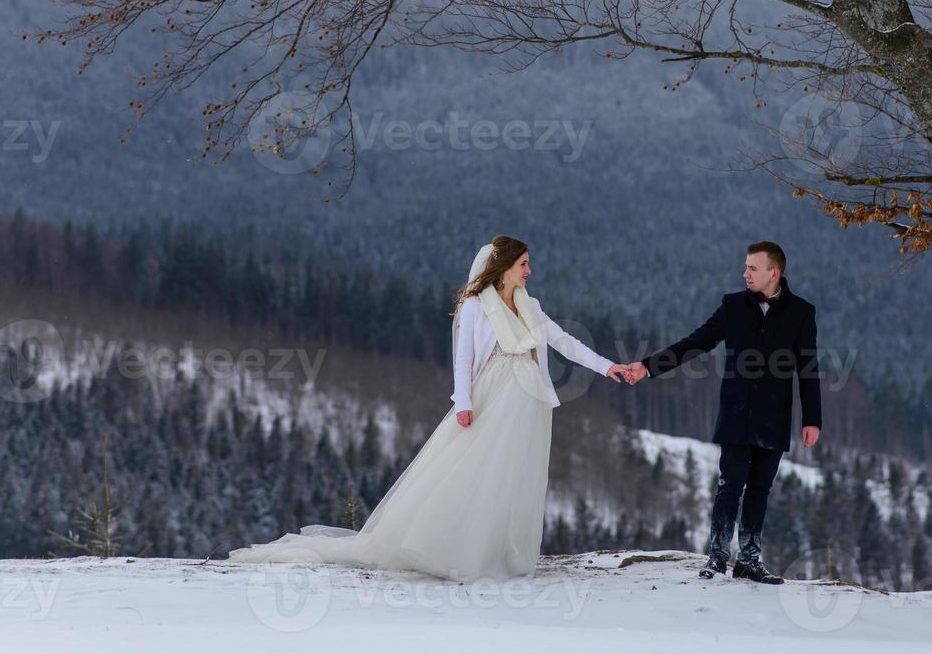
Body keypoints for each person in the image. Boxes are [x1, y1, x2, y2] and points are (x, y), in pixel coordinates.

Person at [226, 235, 632, 580]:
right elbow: (464, 358)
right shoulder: (477, 306)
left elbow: (562, 341)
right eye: (524, 264)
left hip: (528, 400)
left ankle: (503, 551)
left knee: (515, 473)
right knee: (478, 468)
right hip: (494, 394)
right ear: (504, 266)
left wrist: (607, 366)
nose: (529, 272)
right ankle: (458, 549)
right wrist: (464, 401)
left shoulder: (531, 305)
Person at [622, 240, 821, 584]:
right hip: (736, 415)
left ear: (774, 273)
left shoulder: (801, 312)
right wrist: (649, 367)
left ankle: (749, 560)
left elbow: (808, 368)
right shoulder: (732, 306)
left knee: (760, 489)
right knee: (729, 487)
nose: (745, 273)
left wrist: (813, 419)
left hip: (775, 418)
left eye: (752, 268)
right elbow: (695, 342)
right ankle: (717, 557)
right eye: (745, 267)